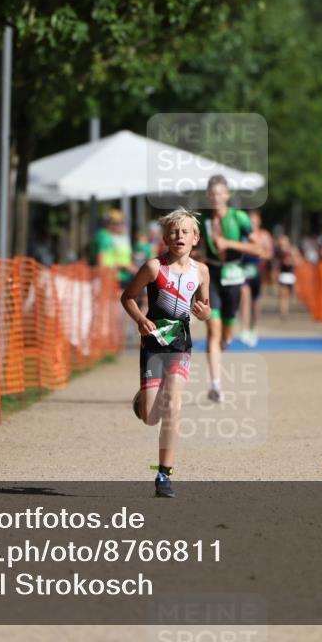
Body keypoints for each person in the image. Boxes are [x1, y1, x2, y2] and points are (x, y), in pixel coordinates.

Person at [121, 207, 211, 498]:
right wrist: (140, 319)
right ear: (165, 238)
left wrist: (204, 312)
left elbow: (205, 308)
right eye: (173, 232)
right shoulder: (153, 268)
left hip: (180, 344)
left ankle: (164, 475)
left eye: (185, 231)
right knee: (149, 417)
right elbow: (128, 297)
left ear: (195, 238)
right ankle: (145, 399)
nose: (179, 236)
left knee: (174, 404)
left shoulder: (202, 272)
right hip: (153, 344)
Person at [197, 175, 264, 403]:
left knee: (226, 334)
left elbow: (259, 249)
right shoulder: (203, 220)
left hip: (234, 275)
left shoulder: (239, 218)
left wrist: (229, 244)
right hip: (212, 276)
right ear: (208, 196)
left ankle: (224, 343)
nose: (216, 198)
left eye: (220, 194)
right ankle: (215, 384)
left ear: (227, 195)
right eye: (212, 194)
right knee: (213, 331)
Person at [238, 209, 274, 347]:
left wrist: (257, 254)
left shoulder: (264, 235)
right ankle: (244, 329)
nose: (252, 223)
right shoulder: (243, 234)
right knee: (244, 297)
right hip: (243, 271)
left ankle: (253, 328)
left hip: (257, 271)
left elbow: (269, 253)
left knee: (255, 303)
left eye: (254, 220)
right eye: (250, 220)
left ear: (259, 221)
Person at [96, 209, 137, 286]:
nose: (121, 226)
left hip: (125, 277)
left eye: (122, 223)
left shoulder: (122, 237)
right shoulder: (104, 236)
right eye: (117, 223)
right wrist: (123, 265)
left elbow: (126, 258)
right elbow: (101, 260)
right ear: (109, 224)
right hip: (111, 278)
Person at [274, 234, 299, 320]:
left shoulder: (292, 250)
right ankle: (283, 311)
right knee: (282, 294)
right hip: (282, 274)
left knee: (288, 294)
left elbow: (298, 261)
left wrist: (290, 261)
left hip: (290, 274)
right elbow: (276, 264)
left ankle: (286, 309)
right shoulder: (278, 251)